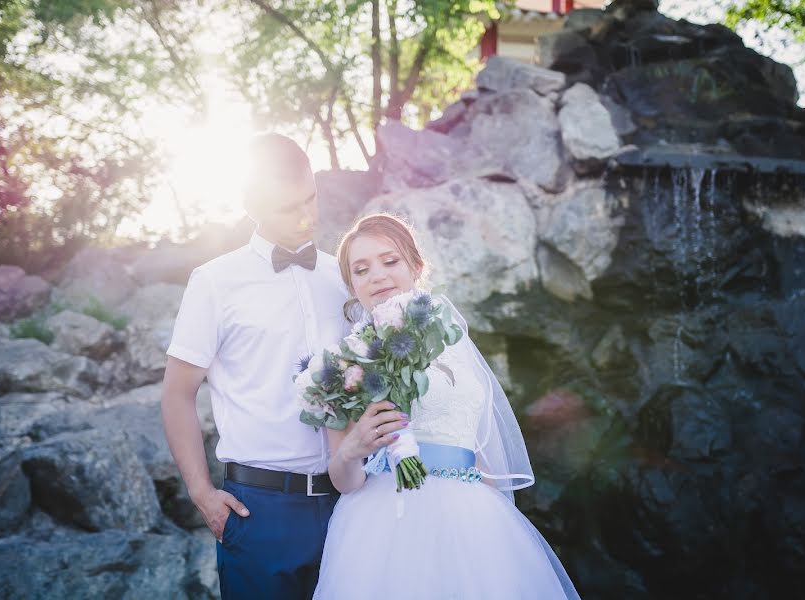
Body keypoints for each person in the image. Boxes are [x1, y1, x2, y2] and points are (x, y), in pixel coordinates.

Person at [160, 133, 405, 600]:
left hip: (352, 502)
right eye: (288, 207)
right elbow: (177, 393)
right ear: (251, 206)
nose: (307, 217)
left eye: (311, 199)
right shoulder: (215, 283)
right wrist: (201, 492)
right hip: (259, 511)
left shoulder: (345, 275)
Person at [313, 214, 582, 600]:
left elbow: (472, 442)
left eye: (390, 261)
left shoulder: (453, 343)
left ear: (416, 266)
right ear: (352, 285)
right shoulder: (348, 364)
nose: (377, 276)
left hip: (471, 514)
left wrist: (495, 518)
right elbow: (344, 480)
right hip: (389, 516)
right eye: (361, 269)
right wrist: (354, 449)